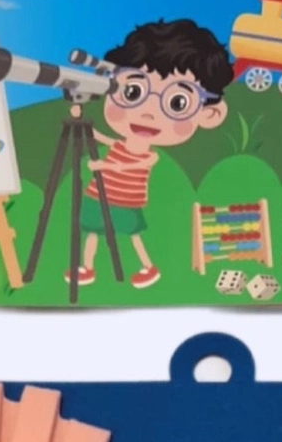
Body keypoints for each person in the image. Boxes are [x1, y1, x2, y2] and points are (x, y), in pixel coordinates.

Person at [73, 18, 234, 289]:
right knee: (92, 232)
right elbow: (108, 141)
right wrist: (85, 127)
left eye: (177, 102)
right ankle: (86, 267)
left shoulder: (150, 155)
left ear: (210, 114)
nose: (148, 113)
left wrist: (105, 168)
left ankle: (148, 267)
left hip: (126, 200)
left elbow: (131, 167)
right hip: (97, 194)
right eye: (133, 91)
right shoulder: (122, 143)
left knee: (132, 236)